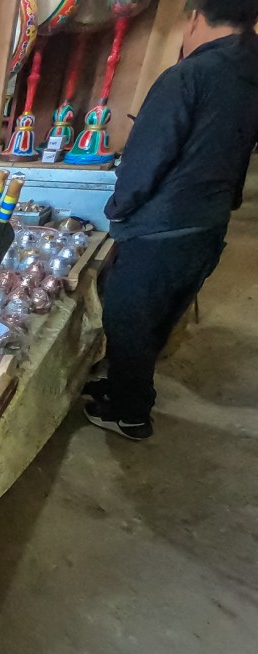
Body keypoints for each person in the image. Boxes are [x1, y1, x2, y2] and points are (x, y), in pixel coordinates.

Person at [85, 0, 258, 440]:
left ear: (196, 17)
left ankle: (130, 413)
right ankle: (125, 387)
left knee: (127, 317)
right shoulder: (248, 72)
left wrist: (119, 211)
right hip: (207, 223)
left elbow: (147, 160)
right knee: (157, 319)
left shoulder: (187, 77)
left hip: (162, 227)